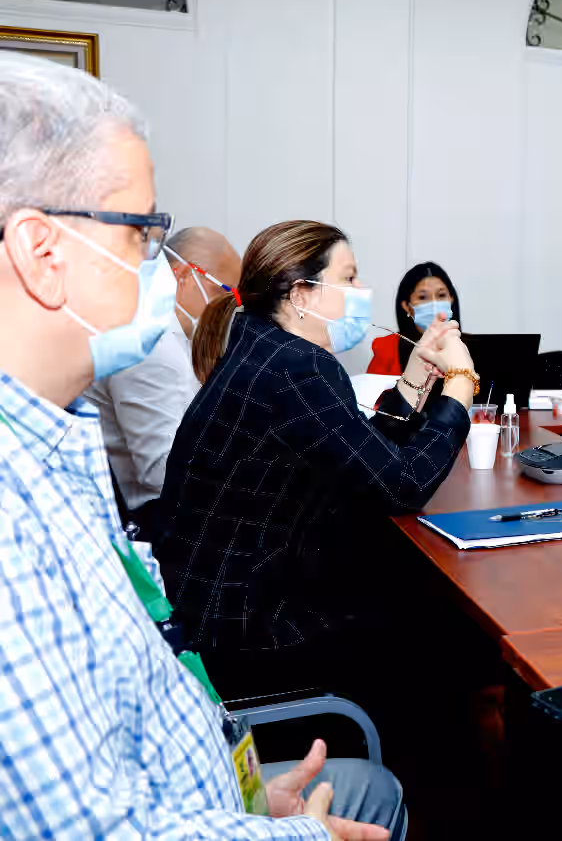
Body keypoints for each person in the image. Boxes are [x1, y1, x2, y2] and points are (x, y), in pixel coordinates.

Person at [0, 52, 397, 839]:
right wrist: (298, 833)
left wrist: (241, 796)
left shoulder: (58, 447)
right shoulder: (13, 517)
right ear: (43, 252)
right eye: (143, 231)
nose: (161, 263)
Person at [159, 220, 476, 713]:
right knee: (436, 622)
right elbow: (403, 484)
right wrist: (459, 387)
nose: (362, 289)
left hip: (214, 610)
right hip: (253, 629)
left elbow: (357, 454)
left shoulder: (262, 345)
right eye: (348, 278)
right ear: (301, 294)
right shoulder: (298, 367)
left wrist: (415, 378)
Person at [82, 226, 242, 538]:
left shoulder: (172, 339)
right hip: (154, 522)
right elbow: (161, 472)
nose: (227, 308)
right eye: (223, 293)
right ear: (183, 276)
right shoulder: (152, 346)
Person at [368, 261, 460, 376]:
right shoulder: (388, 349)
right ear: (407, 307)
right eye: (423, 297)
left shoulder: (469, 347)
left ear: (451, 299)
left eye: (441, 295)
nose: (434, 304)